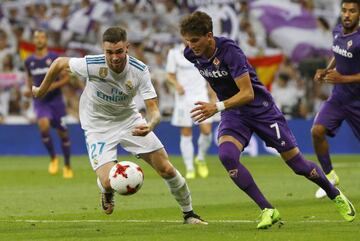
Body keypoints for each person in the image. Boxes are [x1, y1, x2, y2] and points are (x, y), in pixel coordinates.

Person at [179, 11, 356, 229]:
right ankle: (267, 209)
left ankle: (334, 192)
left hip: (261, 110)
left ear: (209, 35)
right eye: (187, 40)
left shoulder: (230, 51)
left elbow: (248, 93)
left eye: (195, 40)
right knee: (227, 156)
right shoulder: (190, 54)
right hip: (234, 113)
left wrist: (215, 106)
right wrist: (219, 103)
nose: (190, 45)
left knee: (298, 165)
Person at [32, 26, 207, 224]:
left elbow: (153, 109)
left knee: (166, 168)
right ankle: (107, 191)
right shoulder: (92, 64)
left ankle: (189, 214)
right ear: (103, 49)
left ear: (127, 48)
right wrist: (41, 90)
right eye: (109, 52)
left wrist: (151, 124)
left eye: (119, 52)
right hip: (97, 126)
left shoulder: (139, 70)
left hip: (129, 121)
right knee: (108, 181)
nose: (114, 57)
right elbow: (58, 63)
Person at [312, 0, 360, 199]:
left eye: (352, 11)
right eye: (344, 10)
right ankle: (330, 176)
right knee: (317, 131)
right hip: (340, 97)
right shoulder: (337, 31)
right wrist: (328, 69)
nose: (347, 15)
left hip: (358, 100)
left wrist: (342, 78)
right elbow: (337, 52)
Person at [24, 29, 73, 179]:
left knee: (63, 134)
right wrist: (28, 91)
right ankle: (53, 158)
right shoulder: (29, 61)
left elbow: (66, 79)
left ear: (46, 40)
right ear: (34, 41)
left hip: (56, 101)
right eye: (36, 37)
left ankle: (67, 165)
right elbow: (29, 79)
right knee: (43, 125)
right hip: (41, 101)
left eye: (42, 37)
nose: (39, 39)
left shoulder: (54, 58)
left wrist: (51, 86)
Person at [166, 42, 215, 179]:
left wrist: (212, 93)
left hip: (201, 95)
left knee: (207, 130)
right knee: (186, 132)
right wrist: (177, 85)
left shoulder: (203, 50)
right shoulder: (174, 53)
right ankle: (189, 167)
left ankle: (200, 158)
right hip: (183, 98)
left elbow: (209, 73)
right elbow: (169, 75)